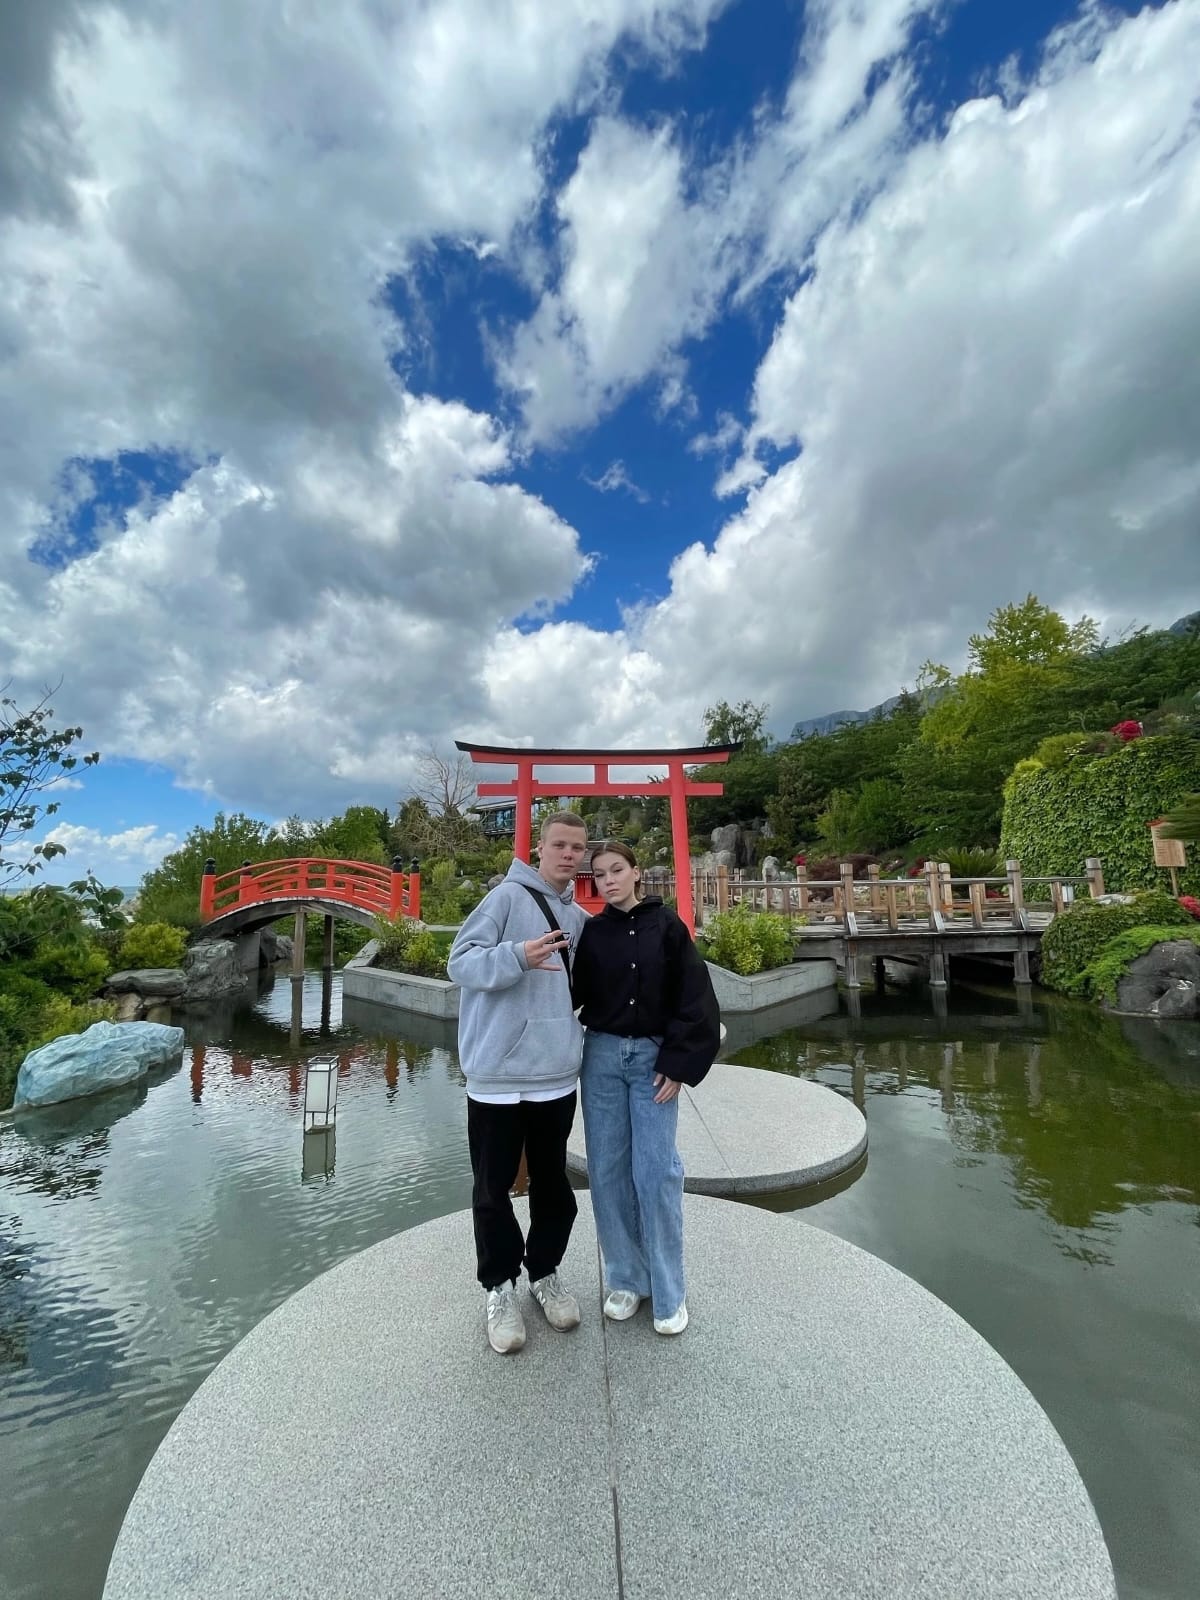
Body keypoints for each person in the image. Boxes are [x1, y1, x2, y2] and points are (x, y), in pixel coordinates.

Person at [447, 811, 591, 1355]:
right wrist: (517, 955)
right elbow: (460, 962)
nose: (569, 854)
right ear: (540, 849)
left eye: (577, 847)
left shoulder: (578, 918)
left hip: (555, 1075)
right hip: (498, 1078)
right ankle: (499, 1287)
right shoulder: (505, 899)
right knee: (492, 1188)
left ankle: (544, 1272)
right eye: (560, 845)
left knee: (553, 1185)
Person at [571, 840, 721, 1336]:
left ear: (636, 873)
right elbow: (572, 994)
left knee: (656, 1172)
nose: (609, 880)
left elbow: (694, 996)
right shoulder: (593, 933)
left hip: (653, 1061)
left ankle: (668, 1289)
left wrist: (678, 1063)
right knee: (607, 1171)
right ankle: (625, 1278)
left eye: (617, 870)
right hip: (602, 1058)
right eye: (600, 875)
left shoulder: (668, 926)